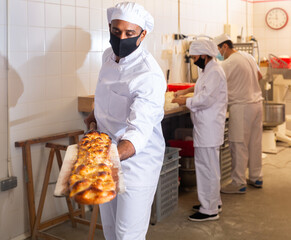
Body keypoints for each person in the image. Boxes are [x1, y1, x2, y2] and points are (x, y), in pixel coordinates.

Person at [84, 2, 166, 239]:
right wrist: (93, 122)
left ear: (142, 35)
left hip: (135, 164)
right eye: (116, 31)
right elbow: (103, 104)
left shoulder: (148, 74)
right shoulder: (108, 57)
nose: (121, 38)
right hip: (106, 154)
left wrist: (103, 160)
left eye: (130, 33)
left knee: (127, 234)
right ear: (109, 27)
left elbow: (137, 135)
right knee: (110, 231)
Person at [172, 39, 228, 221]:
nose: (194, 60)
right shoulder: (209, 69)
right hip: (207, 126)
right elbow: (200, 87)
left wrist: (184, 101)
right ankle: (214, 202)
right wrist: (184, 92)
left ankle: (209, 210)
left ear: (204, 55)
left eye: (195, 57)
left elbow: (205, 99)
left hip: (209, 127)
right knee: (210, 167)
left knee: (206, 168)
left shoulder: (215, 72)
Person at [213, 33, 263, 194]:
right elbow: (259, 76)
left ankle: (238, 183)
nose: (219, 54)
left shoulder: (227, 64)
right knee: (255, 143)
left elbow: (213, 83)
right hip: (257, 103)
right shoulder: (248, 56)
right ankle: (256, 177)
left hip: (241, 106)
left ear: (225, 46)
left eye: (219, 49)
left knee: (238, 144)